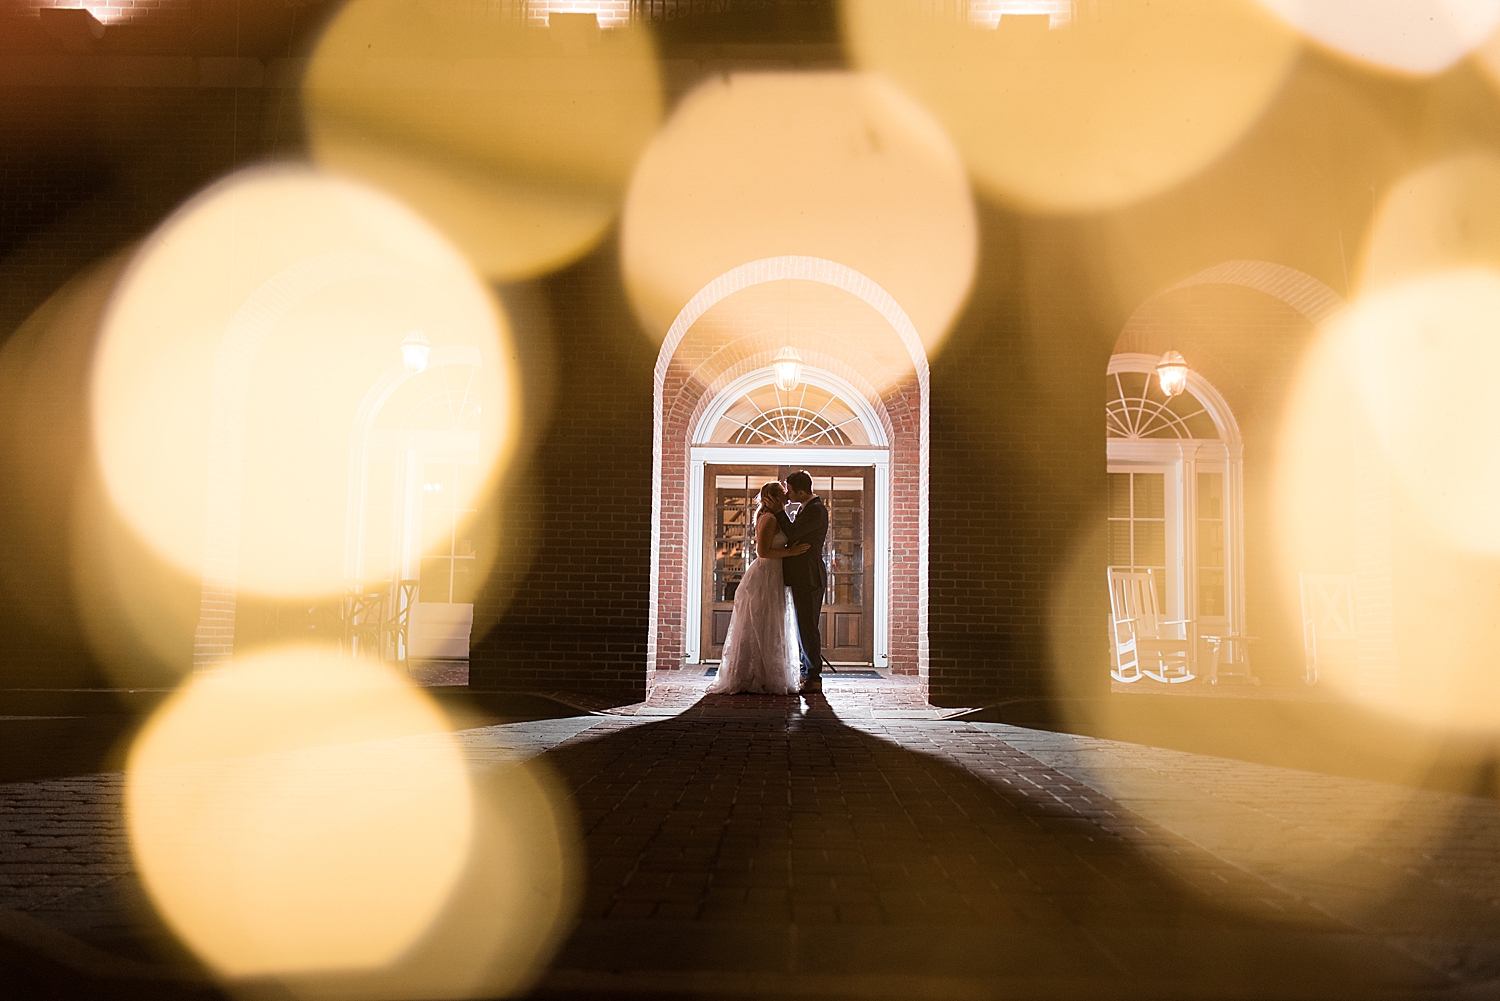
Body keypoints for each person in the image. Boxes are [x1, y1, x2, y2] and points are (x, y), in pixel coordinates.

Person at [708, 481, 810, 695]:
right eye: (784, 494)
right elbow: (763, 552)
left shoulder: (774, 517)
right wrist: (792, 553)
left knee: (771, 623)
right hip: (766, 575)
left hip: (776, 574)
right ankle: (755, 675)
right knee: (762, 622)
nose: (787, 496)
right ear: (773, 497)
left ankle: (766, 673)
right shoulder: (770, 518)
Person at [776, 470, 830, 694]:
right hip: (803, 573)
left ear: (800, 491)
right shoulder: (808, 508)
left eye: (788, 490)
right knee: (803, 625)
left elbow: (793, 531)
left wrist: (779, 512)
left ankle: (813, 677)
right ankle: (807, 672)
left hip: (809, 575)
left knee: (807, 626)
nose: (787, 495)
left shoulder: (815, 510)